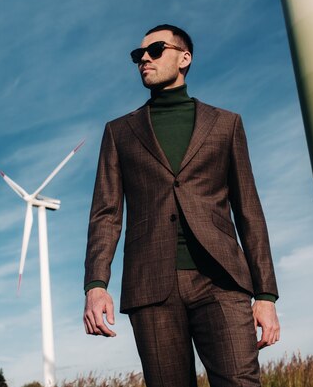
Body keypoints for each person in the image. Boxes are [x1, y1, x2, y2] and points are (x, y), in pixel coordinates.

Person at [83, 24, 280, 387]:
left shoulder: (226, 125)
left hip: (222, 280)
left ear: (184, 58)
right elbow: (106, 213)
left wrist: (266, 295)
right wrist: (96, 284)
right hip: (150, 286)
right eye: (137, 54)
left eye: (156, 50)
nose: (143, 57)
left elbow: (249, 211)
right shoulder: (119, 132)